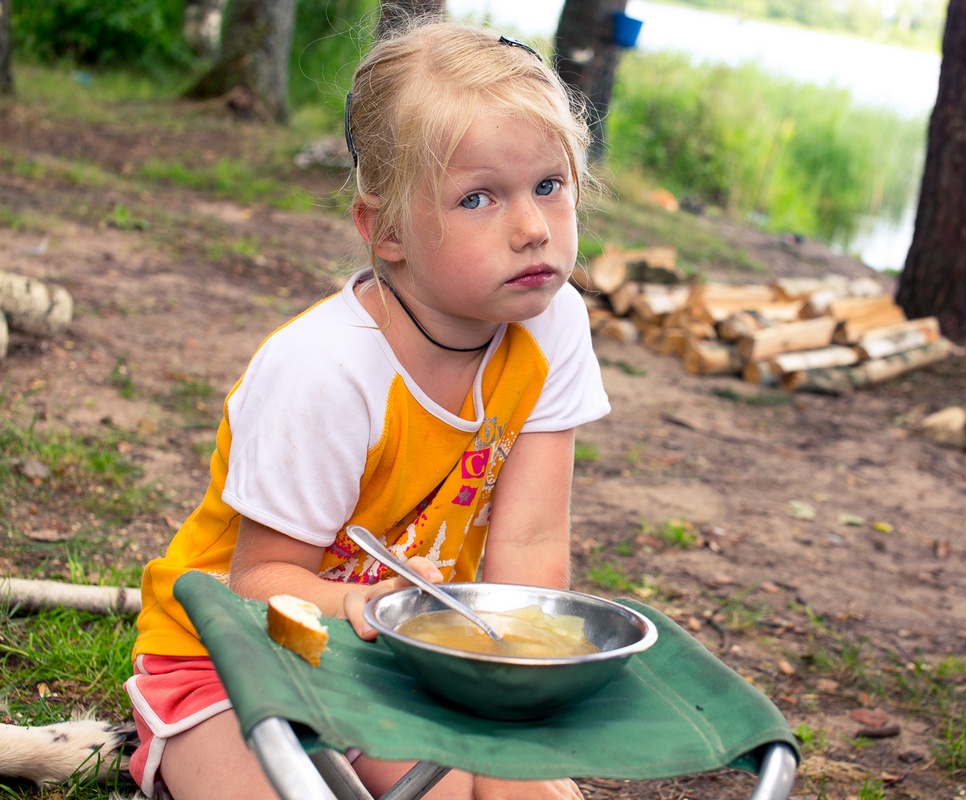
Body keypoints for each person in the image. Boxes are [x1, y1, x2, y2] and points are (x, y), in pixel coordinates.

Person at [124, 19, 609, 800]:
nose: (532, 229)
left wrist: (508, 699)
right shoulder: (327, 371)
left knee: (479, 791)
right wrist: (361, 603)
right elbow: (257, 581)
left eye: (549, 186)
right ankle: (174, 750)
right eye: (479, 197)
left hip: (401, 648)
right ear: (384, 231)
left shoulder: (553, 327)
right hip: (237, 652)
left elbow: (528, 543)